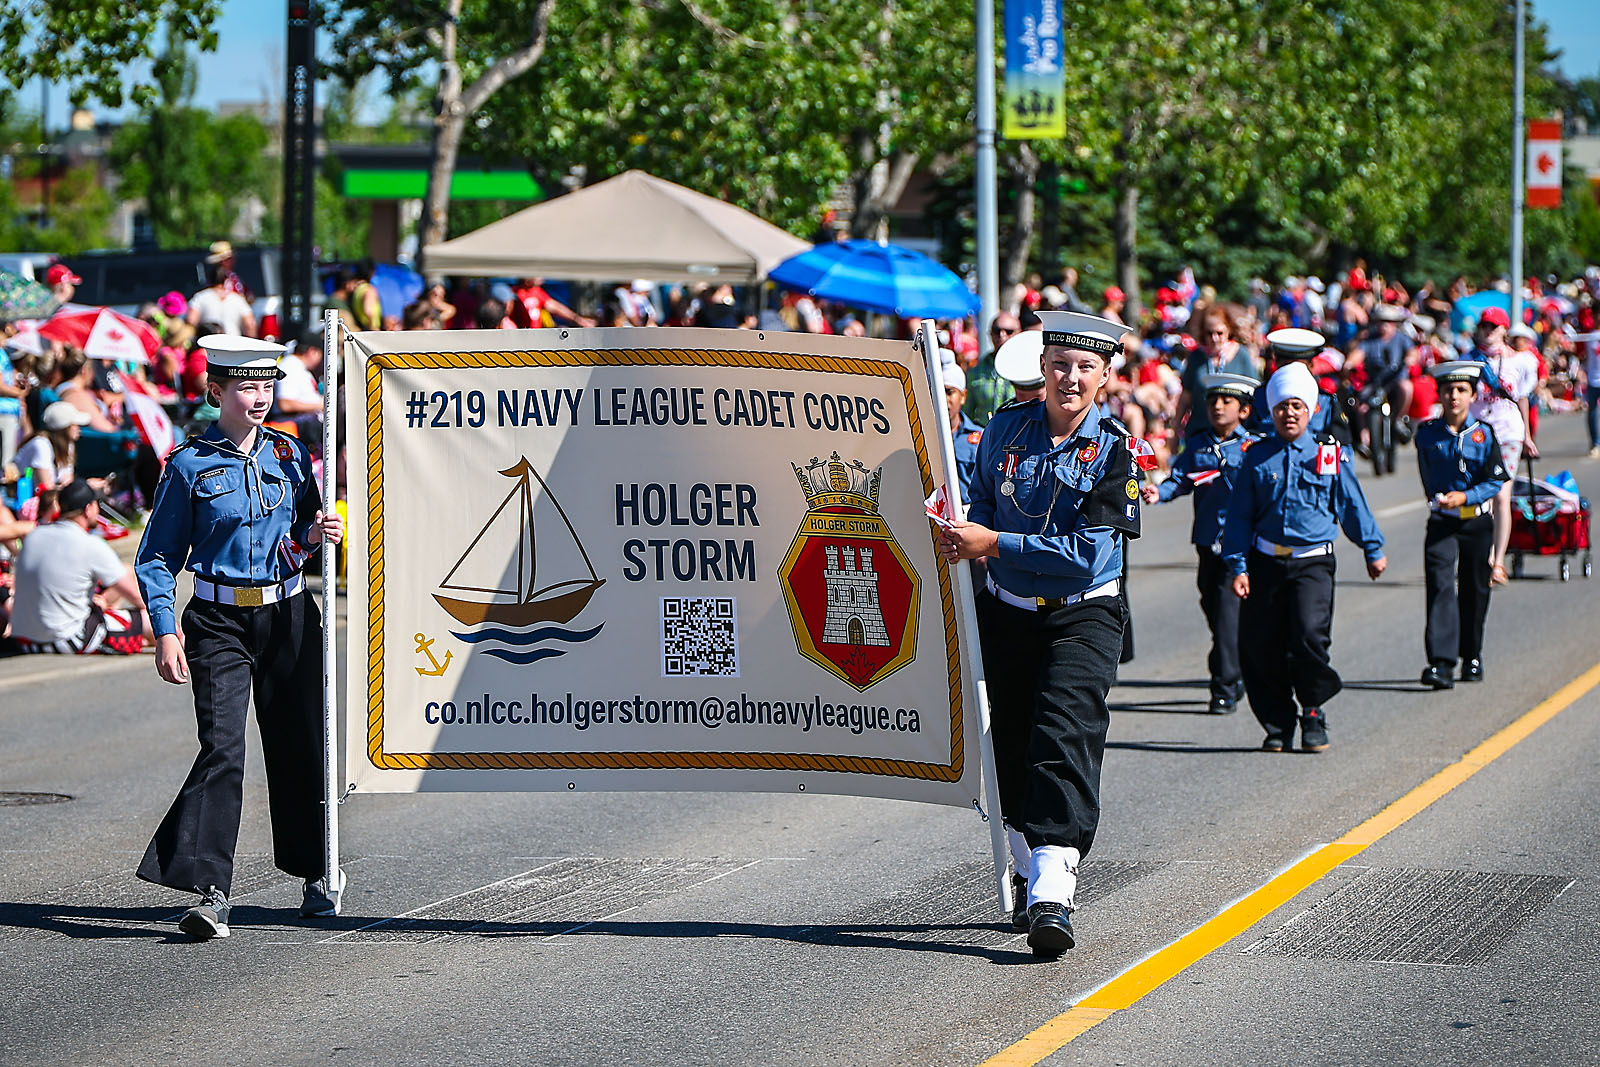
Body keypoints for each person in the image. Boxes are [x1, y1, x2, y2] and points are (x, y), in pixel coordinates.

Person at [938, 310, 1144, 958]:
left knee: (1062, 735)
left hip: (1083, 611)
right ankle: (1027, 865)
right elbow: (983, 512)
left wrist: (993, 542)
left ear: (1106, 377)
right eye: (1059, 364)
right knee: (1009, 748)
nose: (1070, 378)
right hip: (1008, 608)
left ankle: (1054, 888)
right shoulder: (1004, 431)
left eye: (1086, 368)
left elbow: (1088, 553)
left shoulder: (1115, 449)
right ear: (1042, 368)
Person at [134, 335, 345, 940]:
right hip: (217, 620)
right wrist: (165, 629)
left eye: (267, 386)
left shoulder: (290, 455)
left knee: (301, 744)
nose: (260, 398)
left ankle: (316, 873)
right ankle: (210, 892)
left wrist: (316, 533)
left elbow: (298, 533)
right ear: (215, 392)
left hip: (287, 614)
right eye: (246, 387)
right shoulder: (189, 465)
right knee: (222, 747)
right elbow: (157, 557)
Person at [1223, 361, 1386, 753]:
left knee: (1309, 638)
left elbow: (1350, 502)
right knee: (1262, 645)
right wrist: (1238, 565)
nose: (1289, 413)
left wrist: (1371, 547)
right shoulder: (1257, 456)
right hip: (1266, 563)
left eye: (1297, 406)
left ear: (1311, 409)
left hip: (1313, 561)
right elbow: (1240, 515)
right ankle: (1278, 723)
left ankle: (1312, 711)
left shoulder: (1328, 454)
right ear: (1271, 411)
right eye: (1282, 407)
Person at [1143, 372, 1260, 713]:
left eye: (1227, 402)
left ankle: (1222, 686)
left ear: (1244, 411)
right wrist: (1158, 492)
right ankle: (1234, 669)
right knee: (1212, 607)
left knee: (1226, 614)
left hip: (1239, 544)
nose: (1218, 407)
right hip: (1207, 541)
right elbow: (1179, 481)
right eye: (1212, 402)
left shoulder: (1252, 446)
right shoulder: (1197, 444)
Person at [1414, 361, 1508, 689]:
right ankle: (1441, 663)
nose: (1454, 396)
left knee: (1474, 589)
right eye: (1448, 390)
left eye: (1461, 390)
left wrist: (1465, 497)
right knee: (1440, 587)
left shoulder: (1484, 433)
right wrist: (1441, 500)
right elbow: (1427, 475)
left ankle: (1472, 657)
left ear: (1472, 395)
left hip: (1476, 522)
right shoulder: (1426, 434)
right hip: (1442, 522)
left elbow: (1496, 480)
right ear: (1439, 394)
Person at [8, 479, 150, 654]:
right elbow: (137, 597)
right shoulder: (89, 543)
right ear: (88, 509)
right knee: (149, 621)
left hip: (24, 640)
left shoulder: (34, 537)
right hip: (65, 639)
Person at [1464, 308, 1536, 586]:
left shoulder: (1520, 362)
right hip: (1477, 435)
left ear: (1505, 330)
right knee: (1477, 498)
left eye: (1494, 326)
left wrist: (1528, 437)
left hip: (1508, 433)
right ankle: (1478, 557)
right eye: (1484, 326)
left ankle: (1497, 562)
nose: (1488, 331)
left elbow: (1522, 400)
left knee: (1501, 496)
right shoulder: (1469, 361)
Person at [1246, 328, 1351, 444]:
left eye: (1300, 367)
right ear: (1276, 364)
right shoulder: (1259, 397)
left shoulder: (1325, 401)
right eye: (1287, 366)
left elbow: (1341, 448)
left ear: (1311, 366)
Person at [15, 401, 91, 490]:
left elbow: (67, 482)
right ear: (64, 428)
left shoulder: (68, 444)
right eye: (75, 425)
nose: (79, 429)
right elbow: (46, 489)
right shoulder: (41, 445)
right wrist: (86, 484)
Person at [943, 363, 983, 506]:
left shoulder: (980, 438)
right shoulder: (918, 437)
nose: (943, 398)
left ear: (963, 396)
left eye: (949, 392)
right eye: (936, 391)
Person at [187, 261, 256, 338]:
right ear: (225, 280)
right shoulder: (237, 299)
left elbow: (191, 320)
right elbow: (250, 324)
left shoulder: (200, 297)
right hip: (233, 343)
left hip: (208, 343)